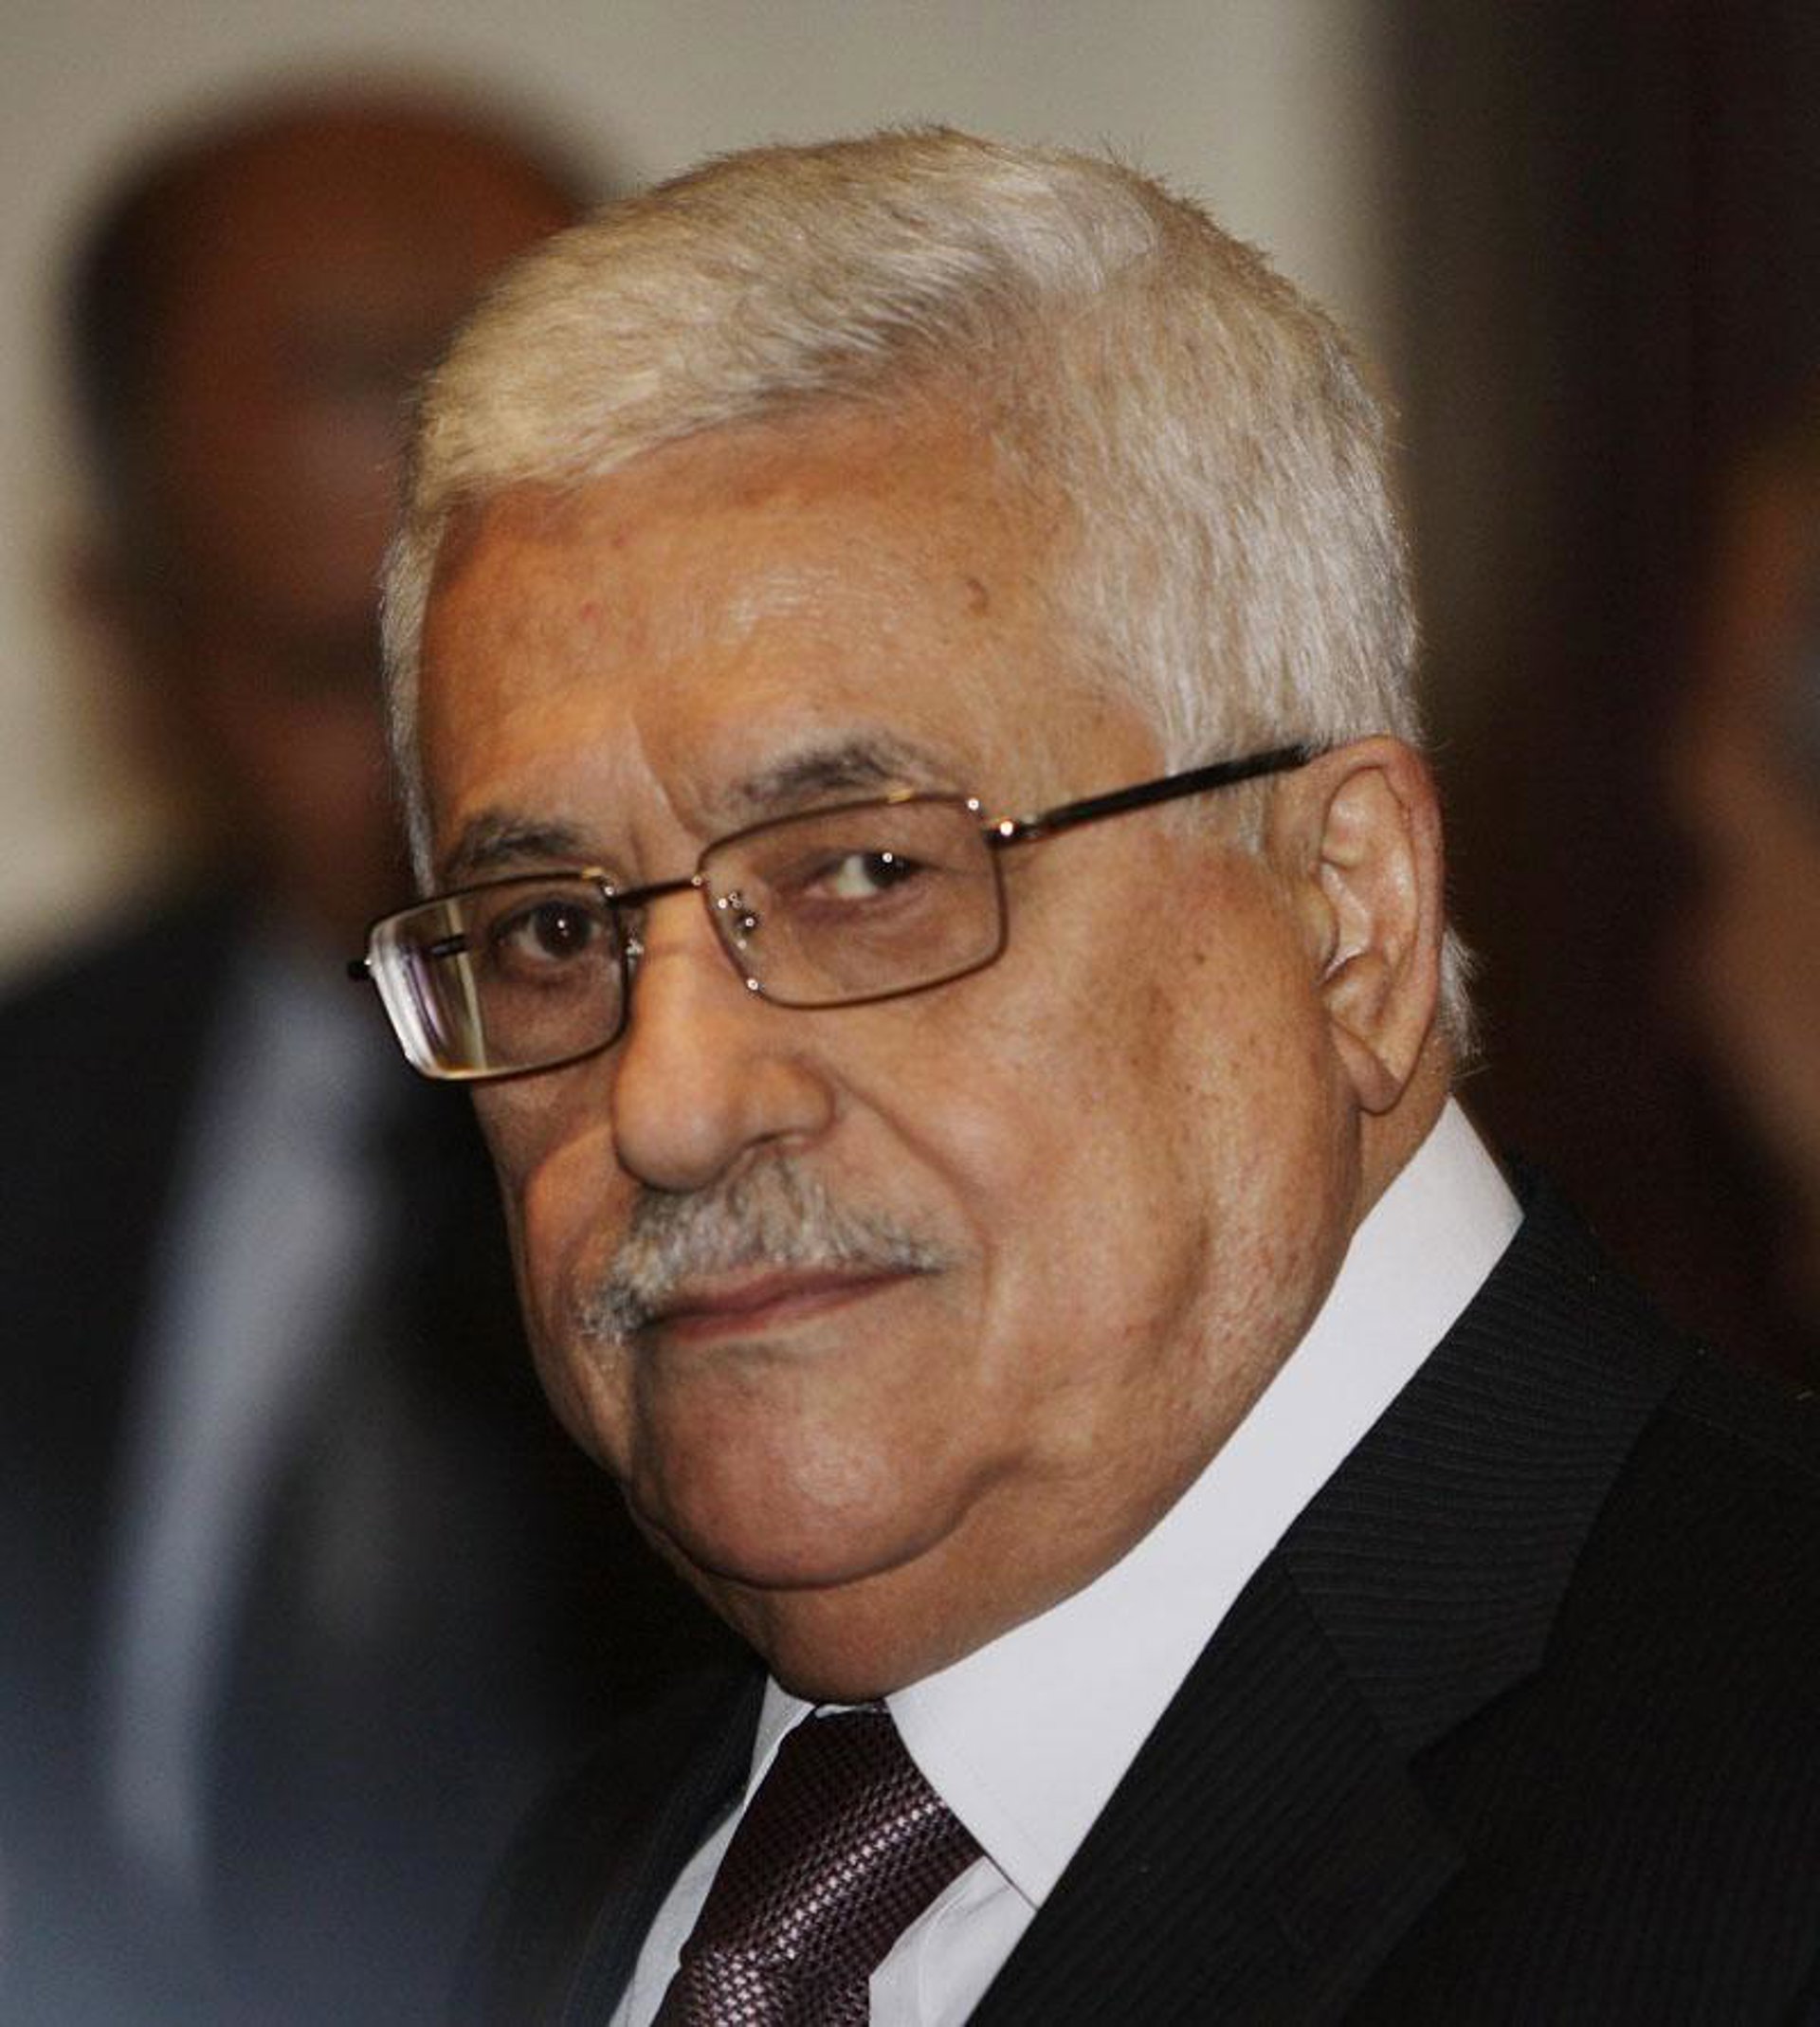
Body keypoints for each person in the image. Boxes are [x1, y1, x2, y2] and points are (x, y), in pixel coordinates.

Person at [355, 130, 1820, 2022]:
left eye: (864, 873)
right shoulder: (591, 1876)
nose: (672, 1101)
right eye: (553, 929)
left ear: (1349, 912)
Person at [0, 87, 719, 2027]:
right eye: (341, 677)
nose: (447, 791)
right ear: (130, 641)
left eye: (518, 657)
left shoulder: (810, 1094)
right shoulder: (34, 1113)